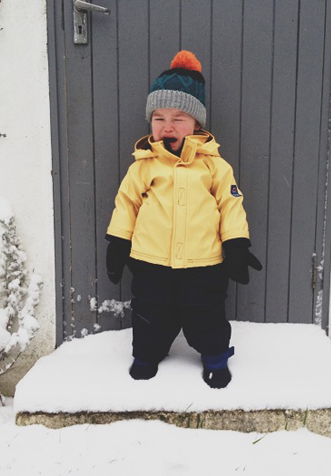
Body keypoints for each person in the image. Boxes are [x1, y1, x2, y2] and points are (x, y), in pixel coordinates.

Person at [105, 50, 262, 389]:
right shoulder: (142, 166)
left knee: (207, 314)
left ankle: (215, 358)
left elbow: (231, 204)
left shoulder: (214, 166)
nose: (167, 126)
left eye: (178, 118)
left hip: (204, 263)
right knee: (150, 314)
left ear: (196, 124)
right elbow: (126, 204)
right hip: (150, 262)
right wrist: (118, 242)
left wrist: (236, 243)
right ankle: (146, 355)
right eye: (158, 118)